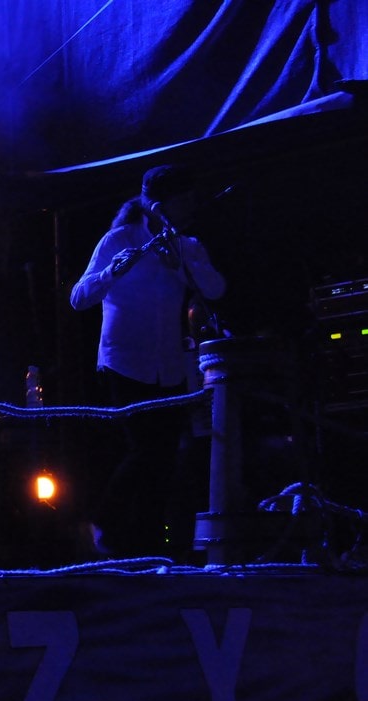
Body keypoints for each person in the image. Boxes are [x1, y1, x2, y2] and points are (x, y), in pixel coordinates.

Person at [69, 164, 226, 558]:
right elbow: (79, 297)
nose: (190, 206)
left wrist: (183, 264)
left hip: (169, 365)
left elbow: (215, 290)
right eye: (183, 200)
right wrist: (110, 272)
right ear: (159, 205)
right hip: (124, 361)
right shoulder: (120, 239)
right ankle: (102, 523)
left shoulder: (187, 245)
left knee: (165, 459)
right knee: (145, 450)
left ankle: (147, 546)